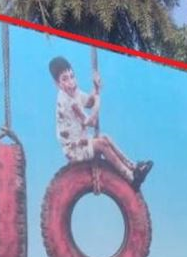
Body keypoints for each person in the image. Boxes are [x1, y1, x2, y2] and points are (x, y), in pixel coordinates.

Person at [50, 56, 151, 190]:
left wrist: (96, 89)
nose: (71, 82)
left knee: (106, 138)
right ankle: (131, 178)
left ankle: (133, 167)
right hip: (74, 149)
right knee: (102, 144)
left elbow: (89, 101)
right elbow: (90, 122)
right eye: (65, 79)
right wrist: (98, 104)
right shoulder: (67, 102)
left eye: (72, 76)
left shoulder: (74, 93)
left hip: (81, 141)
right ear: (57, 84)